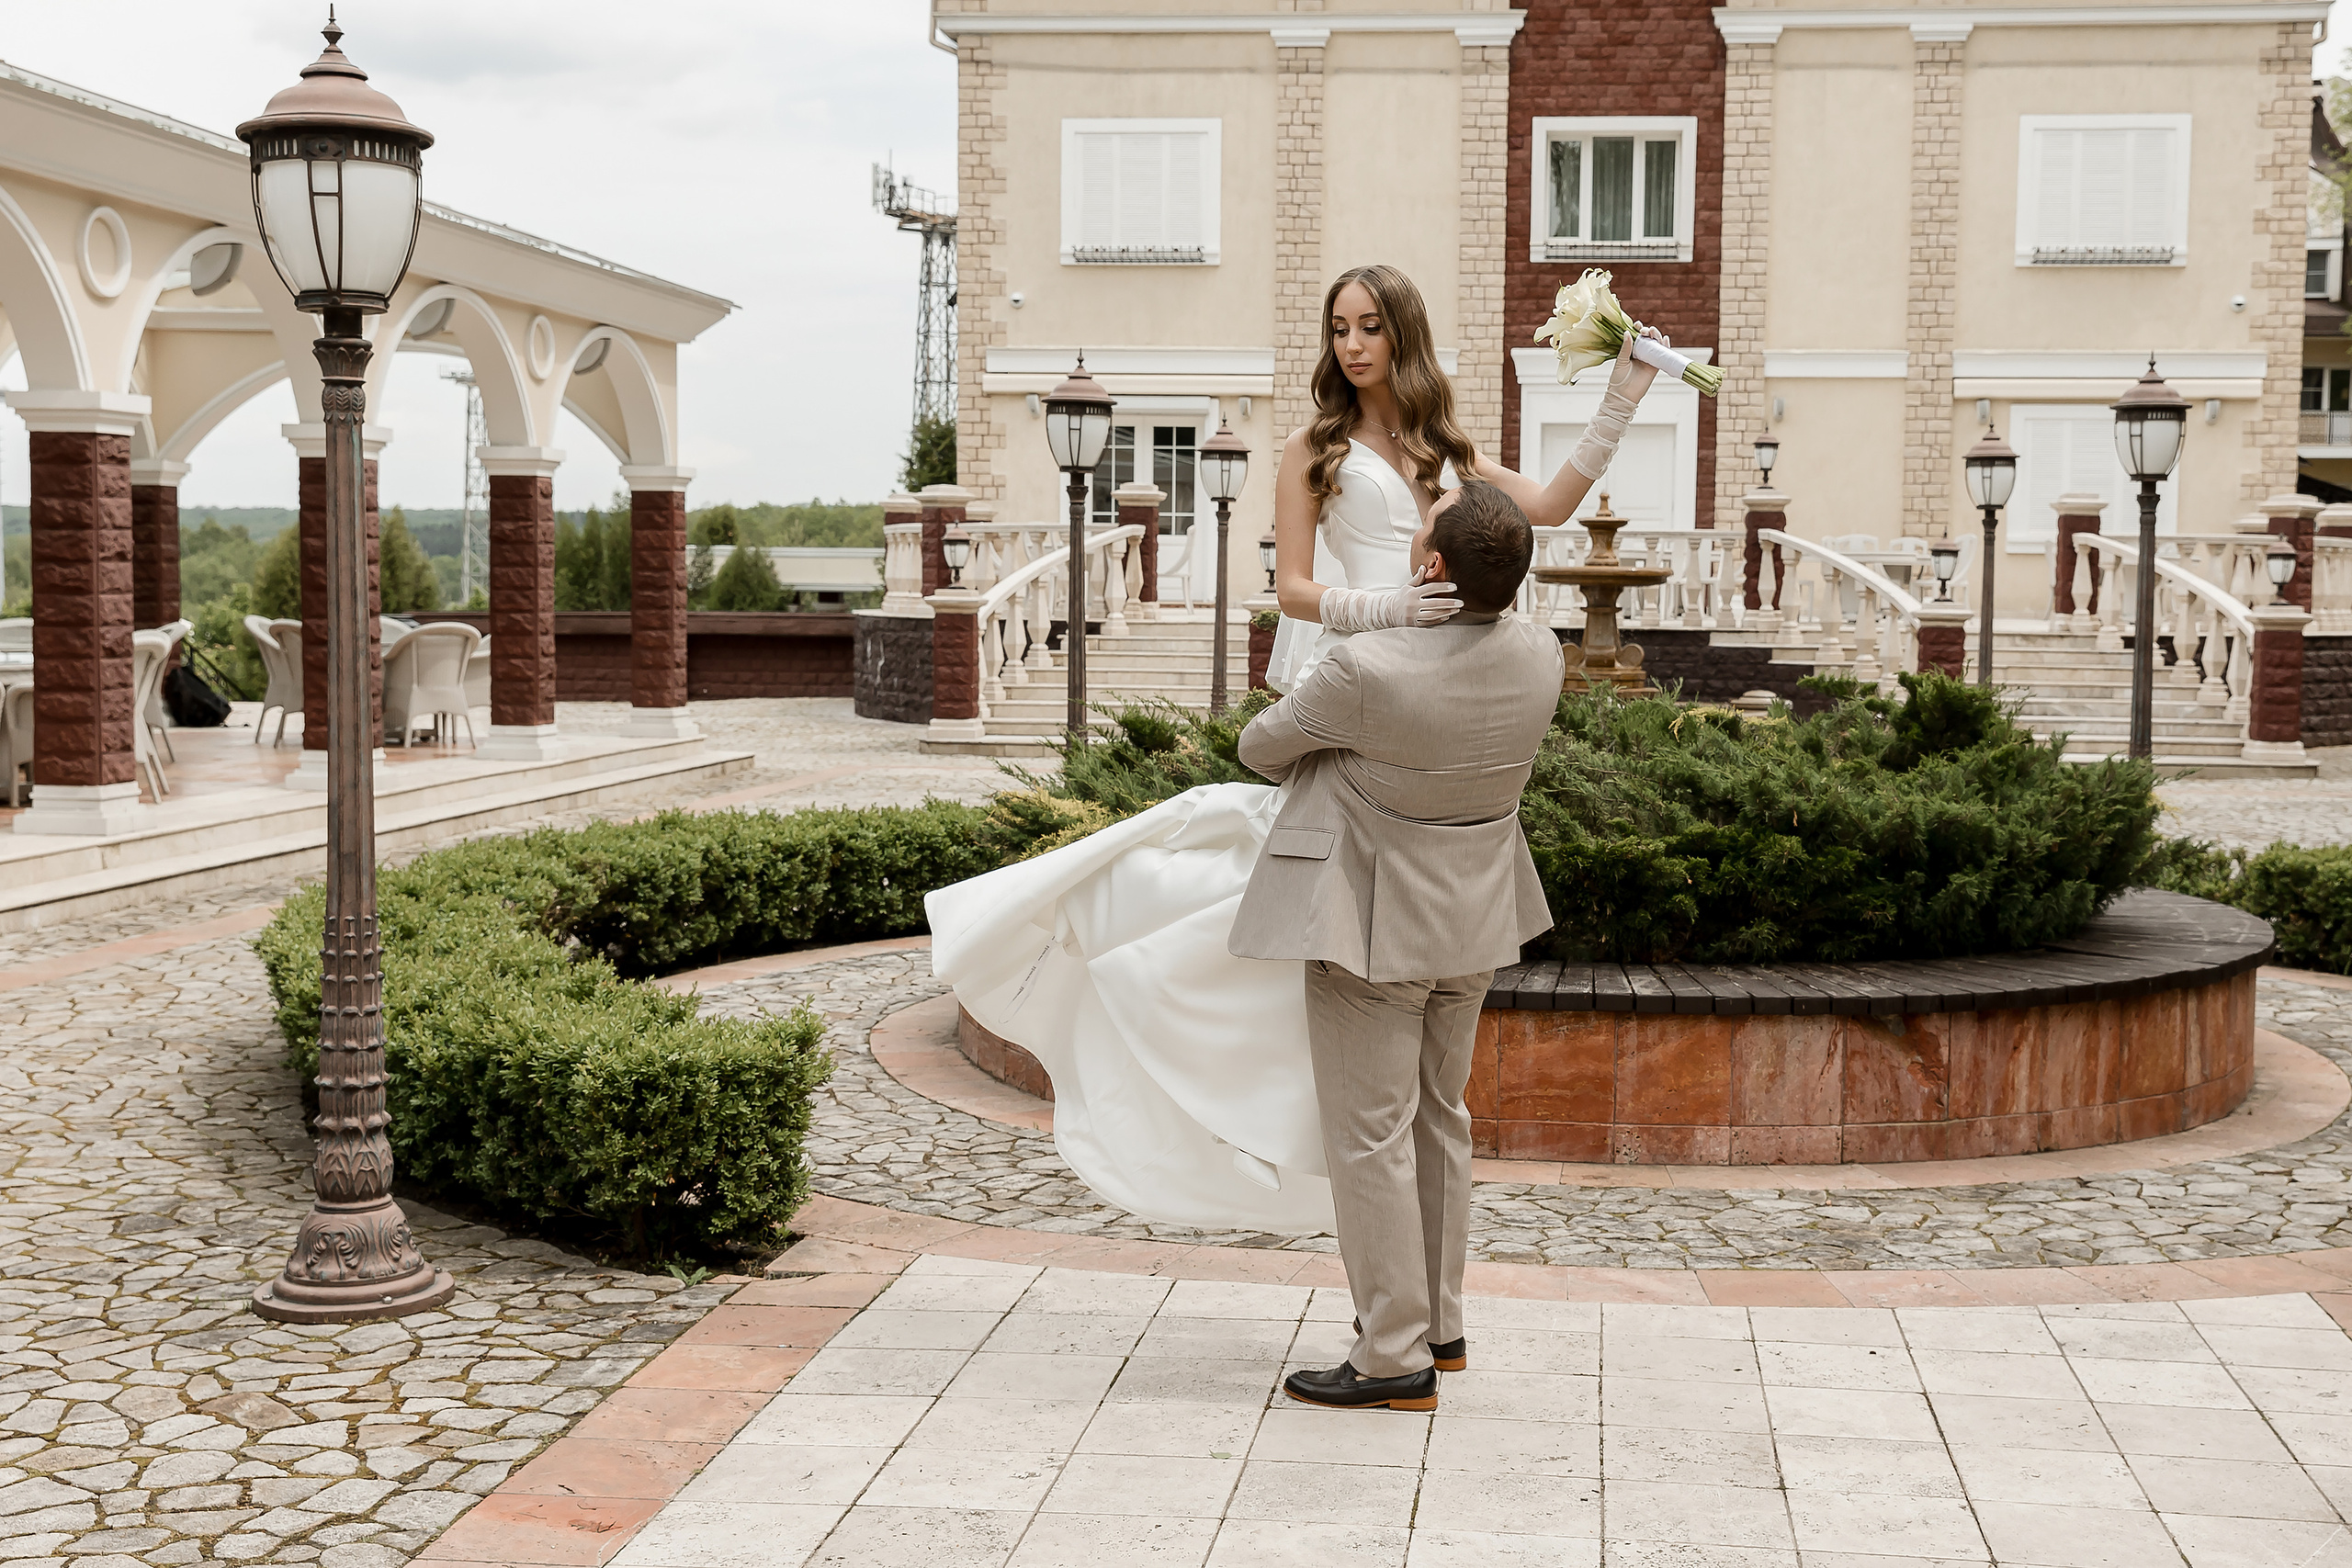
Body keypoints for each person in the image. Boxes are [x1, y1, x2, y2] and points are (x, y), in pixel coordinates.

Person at [923, 264, 1668, 1236]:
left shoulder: (1447, 447)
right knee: (1293, 864)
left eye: (1369, 328)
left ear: (1403, 334)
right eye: (1339, 329)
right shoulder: (1312, 449)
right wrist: (1386, 608)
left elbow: (1552, 508)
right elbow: (1294, 590)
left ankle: (1296, 1089)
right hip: (1352, 674)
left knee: (1348, 892)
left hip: (1435, 685)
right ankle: (1145, 986)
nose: (1352, 346)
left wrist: (1625, 394)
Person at [1234, 481, 1563, 1412]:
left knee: (1371, 1138)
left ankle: (1390, 1357)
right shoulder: (1542, 653)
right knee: (1439, 1118)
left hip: (1370, 928)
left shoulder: (1366, 668)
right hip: (1475, 924)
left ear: (1428, 569)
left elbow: (1262, 747)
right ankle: (1440, 1327)